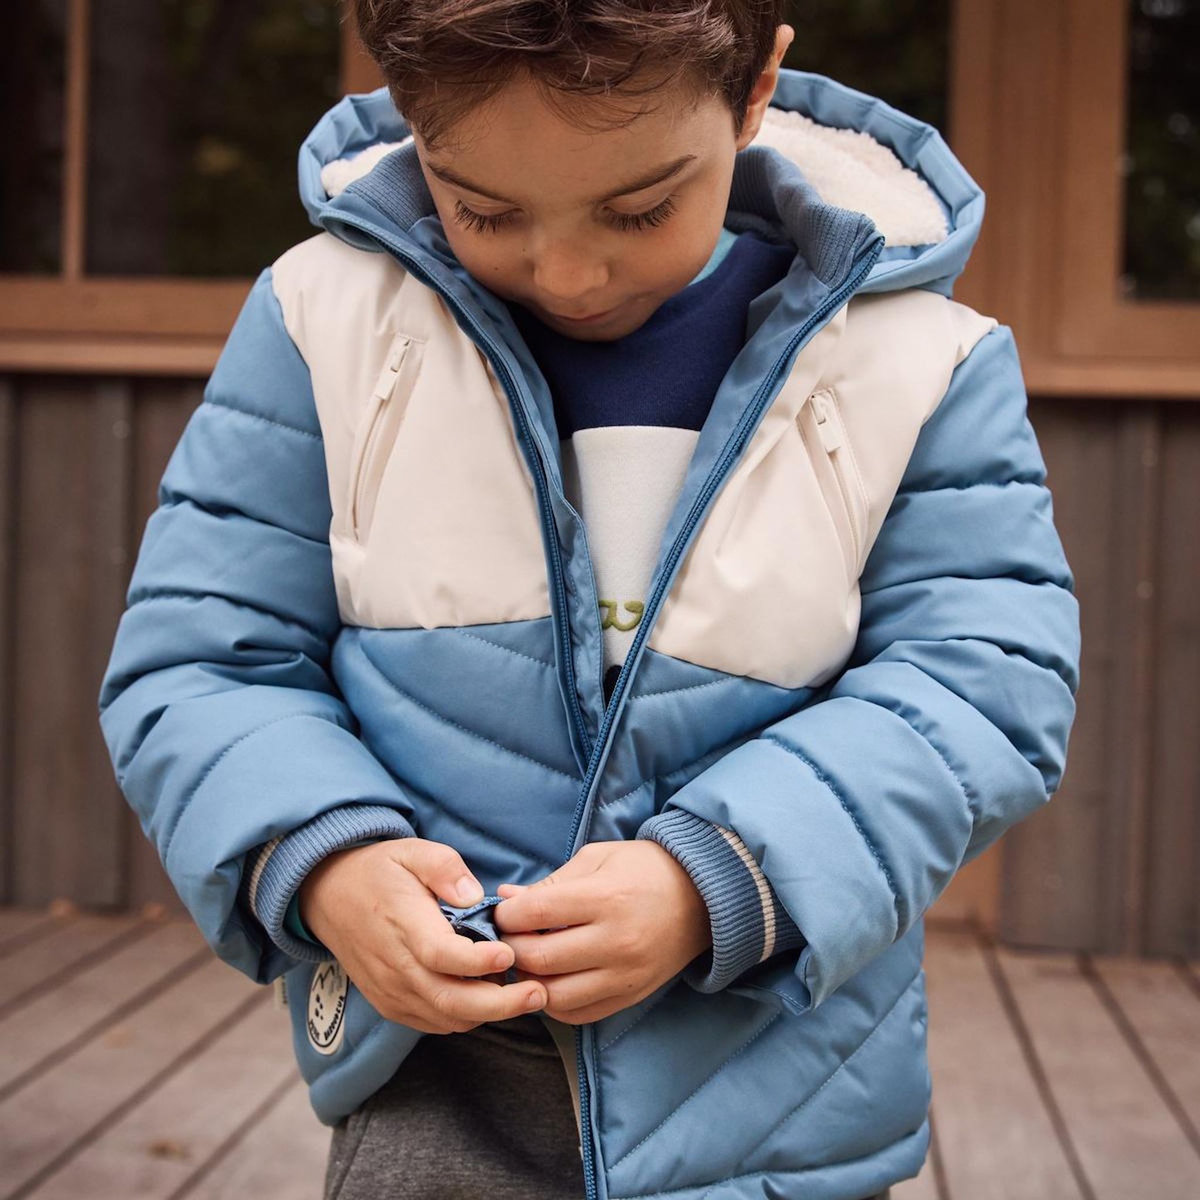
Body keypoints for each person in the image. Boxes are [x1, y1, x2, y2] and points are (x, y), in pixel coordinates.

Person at [97, 2, 1081, 1198]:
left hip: (777, 1088)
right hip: (438, 1078)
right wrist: (321, 860)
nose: (566, 273)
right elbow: (201, 659)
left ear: (757, 83)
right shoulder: (323, 319)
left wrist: (718, 879)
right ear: (408, 103)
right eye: (485, 210)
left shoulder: (922, 361)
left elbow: (983, 687)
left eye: (639, 206)